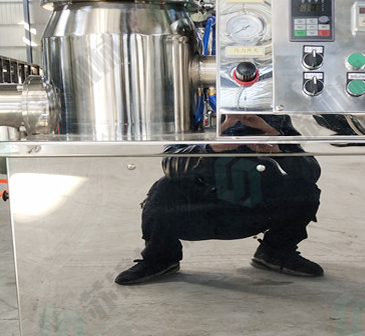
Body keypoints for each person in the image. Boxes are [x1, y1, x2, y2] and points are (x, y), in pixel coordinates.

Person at [115, 114, 323, 285]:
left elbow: (310, 172)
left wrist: (277, 146)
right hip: (200, 209)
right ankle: (160, 258)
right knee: (164, 188)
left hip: (252, 208)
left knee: (305, 190)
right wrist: (212, 146)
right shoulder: (195, 114)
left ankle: (276, 252)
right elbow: (171, 165)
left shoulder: (273, 117)